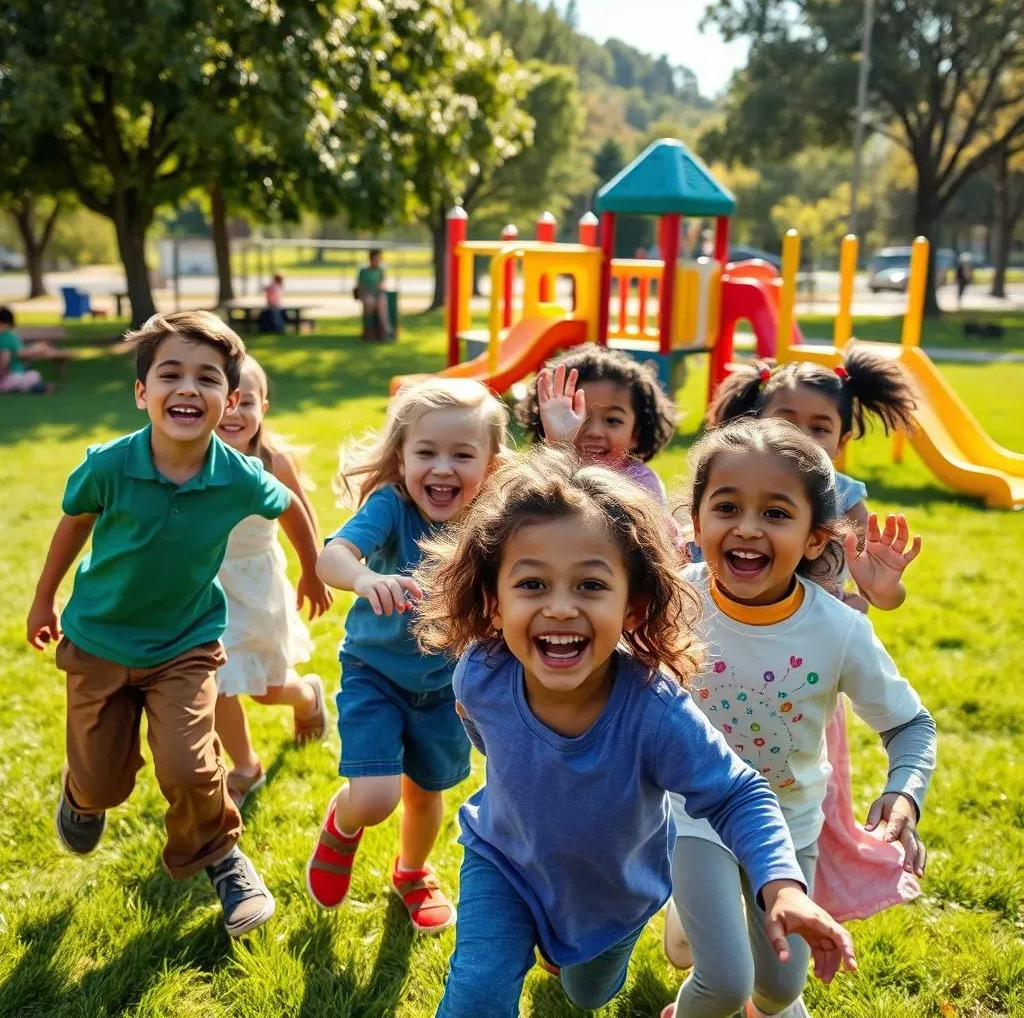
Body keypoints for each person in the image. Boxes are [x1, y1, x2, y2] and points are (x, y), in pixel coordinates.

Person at [412, 446, 857, 1018]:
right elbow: (485, 733)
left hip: (614, 895)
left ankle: (576, 952)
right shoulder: (481, 673)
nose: (560, 608)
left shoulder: (655, 711)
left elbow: (738, 793)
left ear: (633, 606)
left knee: (587, 992)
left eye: (591, 587)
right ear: (494, 603)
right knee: (477, 992)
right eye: (531, 585)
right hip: (505, 862)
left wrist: (783, 885)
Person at [24, 310, 321, 938]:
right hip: (100, 641)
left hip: (185, 645)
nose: (189, 388)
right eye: (171, 374)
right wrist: (44, 599)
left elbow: (290, 505)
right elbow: (73, 524)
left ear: (230, 400)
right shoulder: (108, 465)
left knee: (188, 766)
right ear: (142, 393)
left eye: (207, 378)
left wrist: (312, 569)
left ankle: (222, 858)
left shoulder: (239, 476)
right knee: (102, 783)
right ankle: (81, 795)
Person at [663, 418, 935, 1018]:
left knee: (780, 989)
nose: (748, 528)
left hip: (789, 820)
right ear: (698, 521)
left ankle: (693, 917)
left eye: (778, 514)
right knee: (724, 985)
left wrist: (904, 793)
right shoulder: (671, 602)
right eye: (727, 506)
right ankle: (691, 918)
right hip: (692, 814)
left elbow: (911, 724)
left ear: (816, 538)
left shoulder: (838, 629)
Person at [305, 378, 511, 933]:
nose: (442, 468)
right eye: (426, 453)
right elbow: (334, 556)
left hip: (449, 686)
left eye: (462, 455)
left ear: (491, 465)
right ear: (401, 457)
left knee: (426, 793)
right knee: (374, 798)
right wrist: (365, 575)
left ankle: (412, 872)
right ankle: (343, 825)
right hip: (377, 674)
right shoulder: (391, 506)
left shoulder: (491, 519)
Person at [705, 344, 920, 612]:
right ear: (754, 425)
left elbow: (882, 595)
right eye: (786, 422)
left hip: (814, 629)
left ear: (841, 441)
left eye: (819, 428)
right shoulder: (733, 479)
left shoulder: (845, 496)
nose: (802, 437)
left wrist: (882, 588)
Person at [213, 355, 334, 808]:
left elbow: (301, 516)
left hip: (254, 584)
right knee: (216, 679)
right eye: (226, 401)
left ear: (264, 405)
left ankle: (305, 696)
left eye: (246, 402)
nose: (234, 412)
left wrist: (312, 569)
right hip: (204, 586)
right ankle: (244, 766)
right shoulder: (190, 458)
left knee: (263, 689)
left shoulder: (271, 462)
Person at [515, 345, 676, 504]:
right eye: (578, 416)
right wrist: (558, 450)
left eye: (612, 420)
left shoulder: (642, 485)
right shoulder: (539, 474)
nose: (595, 432)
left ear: (636, 434)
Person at [0, 305, 53, 393]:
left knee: (23, 378)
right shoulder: (10, 337)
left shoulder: (6, 338)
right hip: (14, 375)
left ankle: (29, 388)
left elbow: (5, 361)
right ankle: (33, 388)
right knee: (32, 376)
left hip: (11, 375)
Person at [355, 249, 392, 341]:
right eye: (376, 259)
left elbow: (383, 284)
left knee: (382, 305)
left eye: (379, 259)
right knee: (369, 302)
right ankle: (369, 332)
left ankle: (385, 332)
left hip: (378, 295)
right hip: (367, 295)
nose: (377, 261)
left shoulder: (381, 270)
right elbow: (360, 286)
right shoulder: (363, 271)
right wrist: (365, 294)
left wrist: (381, 287)